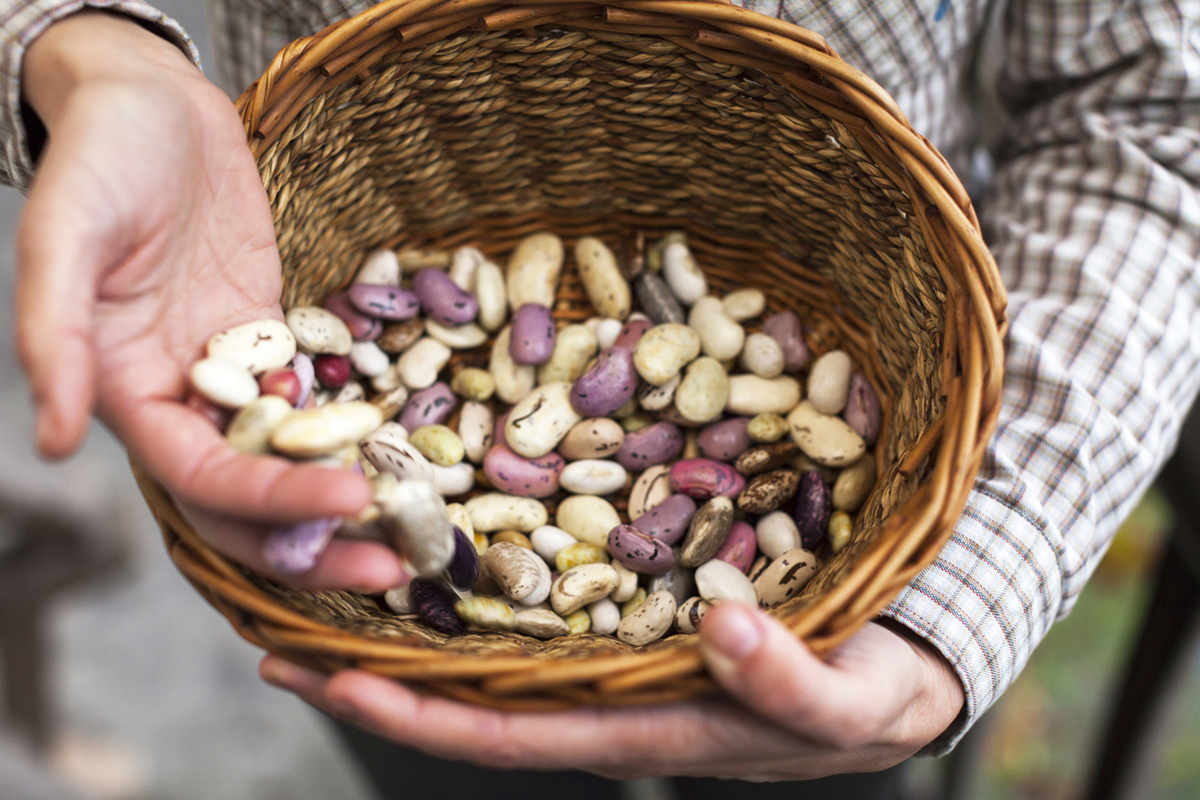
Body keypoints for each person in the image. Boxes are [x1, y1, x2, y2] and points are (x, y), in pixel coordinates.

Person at [3, 0, 1198, 795]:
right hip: (371, 596)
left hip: (852, 608)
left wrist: (956, 595)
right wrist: (80, 46)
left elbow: (1152, 114)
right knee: (445, 761)